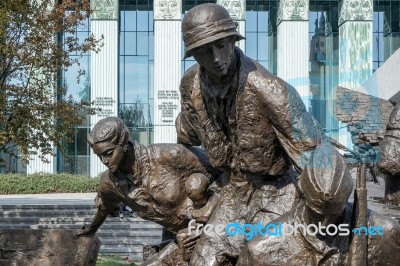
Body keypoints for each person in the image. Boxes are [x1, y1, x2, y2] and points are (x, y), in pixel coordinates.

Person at [175, 3, 346, 265]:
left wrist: (330, 203)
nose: (216, 58)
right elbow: (187, 131)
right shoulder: (190, 87)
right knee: (202, 260)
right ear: (194, 54)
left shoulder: (269, 90)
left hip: (275, 193)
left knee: (256, 256)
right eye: (204, 52)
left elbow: (316, 152)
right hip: (232, 192)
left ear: (233, 40)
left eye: (221, 45)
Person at [237, 142, 400, 265]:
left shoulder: (385, 234)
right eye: (317, 213)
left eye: (335, 214)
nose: (325, 224)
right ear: (302, 192)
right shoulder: (262, 250)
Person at [77, 116, 222, 236]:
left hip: (218, 225)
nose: (104, 161)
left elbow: (224, 172)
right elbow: (104, 208)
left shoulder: (170, 156)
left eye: (108, 153)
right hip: (178, 236)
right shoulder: (109, 182)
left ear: (124, 143)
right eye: (99, 156)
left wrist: (209, 209)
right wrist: (91, 229)